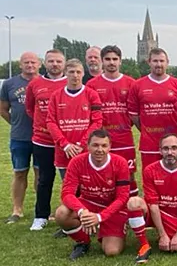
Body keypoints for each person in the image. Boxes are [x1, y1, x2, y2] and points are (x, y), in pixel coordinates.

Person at [86, 45, 151, 261]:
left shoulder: (130, 83)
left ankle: (130, 217)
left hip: (124, 140)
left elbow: (135, 112)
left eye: (115, 58)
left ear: (120, 61)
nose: (111, 62)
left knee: (128, 181)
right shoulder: (93, 84)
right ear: (102, 61)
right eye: (108, 59)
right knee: (100, 180)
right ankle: (100, 219)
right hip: (101, 141)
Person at [54, 129, 130, 260]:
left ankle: (107, 228)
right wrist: (82, 212)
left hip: (112, 208)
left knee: (112, 251)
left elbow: (122, 197)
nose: (99, 149)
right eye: (95, 145)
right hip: (88, 204)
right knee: (61, 213)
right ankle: (83, 242)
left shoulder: (120, 163)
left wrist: (100, 217)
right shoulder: (76, 162)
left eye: (104, 145)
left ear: (110, 147)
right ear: (87, 146)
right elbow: (67, 193)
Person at [128, 134, 177, 261]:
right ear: (160, 150)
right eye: (166, 149)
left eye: (174, 148)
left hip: (176, 219)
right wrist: (163, 235)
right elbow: (153, 205)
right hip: (156, 213)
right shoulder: (150, 170)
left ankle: (175, 234)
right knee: (133, 202)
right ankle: (145, 245)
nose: (170, 152)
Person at [26, 49, 67, 231]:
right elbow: (29, 109)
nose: (55, 64)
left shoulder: (70, 81)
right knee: (44, 178)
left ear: (64, 63)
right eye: (51, 61)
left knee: (71, 180)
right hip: (43, 140)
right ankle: (41, 215)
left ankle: (71, 214)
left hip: (67, 142)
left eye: (58, 61)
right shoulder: (35, 84)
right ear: (45, 63)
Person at [127, 48, 177, 174]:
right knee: (151, 176)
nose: (159, 64)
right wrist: (146, 129)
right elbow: (133, 114)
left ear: (167, 62)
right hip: (150, 143)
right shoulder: (138, 85)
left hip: (174, 141)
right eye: (155, 61)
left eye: (162, 61)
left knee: (176, 176)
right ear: (149, 62)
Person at [1, 52, 41, 224]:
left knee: (41, 174)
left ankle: (41, 210)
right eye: (26, 62)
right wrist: (15, 123)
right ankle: (17, 210)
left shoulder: (45, 82)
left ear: (39, 64)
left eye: (33, 62)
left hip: (41, 137)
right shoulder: (10, 84)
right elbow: (3, 109)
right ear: (20, 64)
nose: (30, 65)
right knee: (19, 173)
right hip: (19, 137)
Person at [46, 59, 103, 176]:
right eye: (71, 72)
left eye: (78, 72)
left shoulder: (92, 94)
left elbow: (97, 122)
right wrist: (65, 144)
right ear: (65, 73)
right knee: (69, 188)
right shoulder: (56, 96)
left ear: (83, 73)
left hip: (86, 150)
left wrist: (83, 144)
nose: (75, 75)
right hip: (65, 151)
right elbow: (51, 122)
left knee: (88, 188)